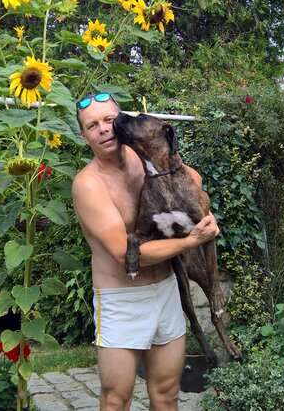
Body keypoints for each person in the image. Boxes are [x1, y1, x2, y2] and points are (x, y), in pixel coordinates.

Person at [72, 92, 220, 411]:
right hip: (121, 300)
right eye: (92, 125)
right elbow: (122, 251)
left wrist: (201, 211)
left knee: (167, 394)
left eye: (109, 119)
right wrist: (191, 240)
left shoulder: (145, 159)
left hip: (165, 291)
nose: (103, 129)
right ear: (84, 136)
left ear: (120, 122)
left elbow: (193, 178)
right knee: (117, 399)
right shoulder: (89, 184)